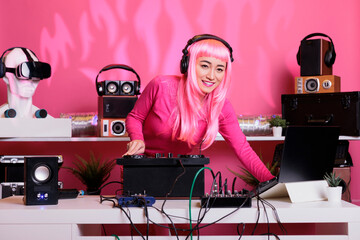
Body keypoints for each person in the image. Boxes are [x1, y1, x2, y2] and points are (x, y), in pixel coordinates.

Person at [124, 34, 274, 182]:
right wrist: (137, 139)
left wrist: (273, 183)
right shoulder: (161, 86)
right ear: (188, 64)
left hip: (182, 174)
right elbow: (135, 117)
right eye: (204, 66)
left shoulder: (222, 107)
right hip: (141, 168)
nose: (211, 76)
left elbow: (242, 149)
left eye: (219, 69)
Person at [0, 47, 51, 118]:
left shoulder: (50, 121)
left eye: (36, 74)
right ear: (6, 77)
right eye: (24, 72)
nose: (31, 81)